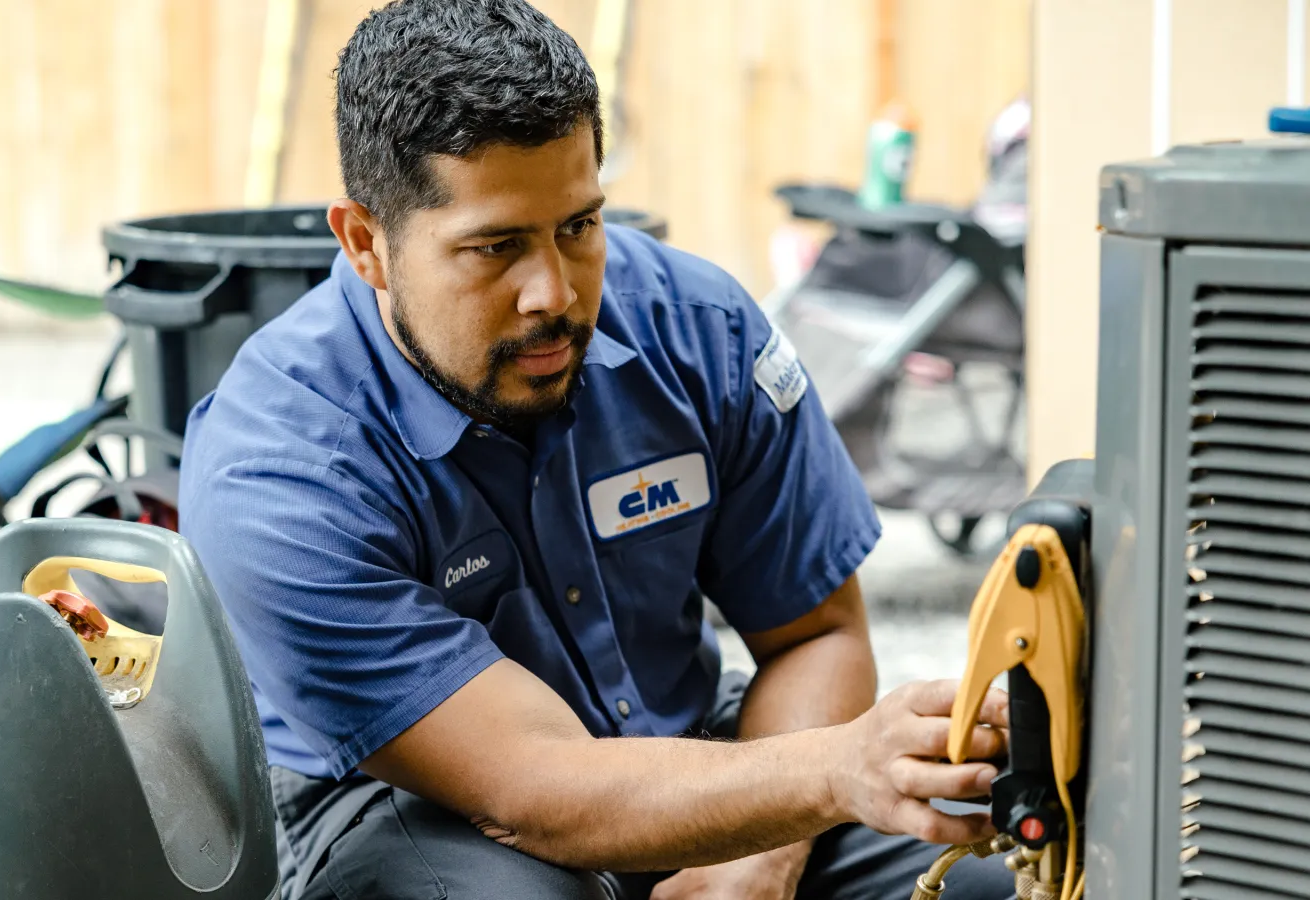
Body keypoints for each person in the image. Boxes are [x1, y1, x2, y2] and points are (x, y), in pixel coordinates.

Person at [178, 1, 1016, 897]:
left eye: (578, 227)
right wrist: (833, 770)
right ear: (365, 244)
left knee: (1000, 871)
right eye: (494, 247)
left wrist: (757, 860)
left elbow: (816, 633)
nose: (553, 292)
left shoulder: (701, 333)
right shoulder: (278, 470)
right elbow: (530, 788)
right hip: (416, 806)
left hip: (694, 751)